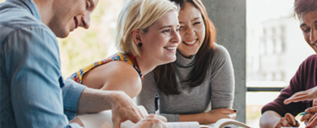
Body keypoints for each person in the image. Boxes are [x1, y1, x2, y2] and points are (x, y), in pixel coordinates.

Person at [0, 0, 166, 127]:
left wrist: (113, 98)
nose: (87, 23)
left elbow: (52, 89)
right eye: (87, 4)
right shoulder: (32, 35)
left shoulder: (8, 17)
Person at [67, 0, 180, 125]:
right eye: (166, 30)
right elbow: (80, 124)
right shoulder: (128, 78)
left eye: (177, 29)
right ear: (138, 37)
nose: (177, 38)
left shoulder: (123, 64)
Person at [136, 0, 236, 124]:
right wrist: (206, 117)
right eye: (180, 27)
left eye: (197, 23)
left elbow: (222, 118)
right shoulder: (154, 58)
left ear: (205, 22)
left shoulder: (218, 56)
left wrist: (210, 118)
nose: (191, 33)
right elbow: (146, 119)